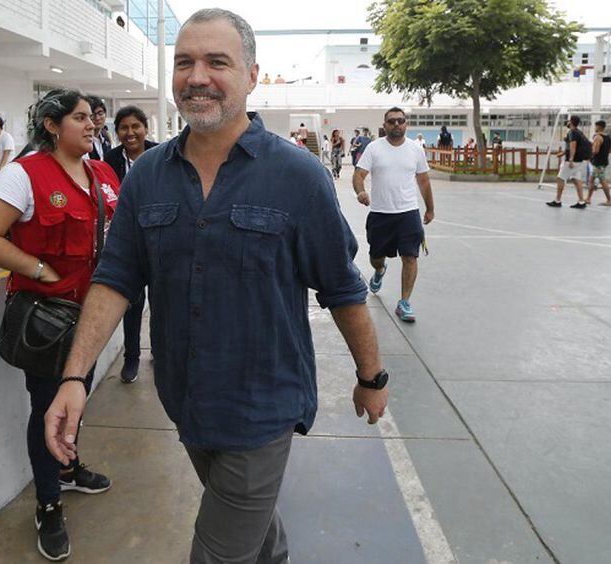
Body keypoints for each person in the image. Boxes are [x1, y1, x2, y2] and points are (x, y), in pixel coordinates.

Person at [45, 9, 387, 563]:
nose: (197, 76)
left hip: (261, 407)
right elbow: (115, 279)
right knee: (253, 529)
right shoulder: (148, 175)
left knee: (218, 551)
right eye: (184, 62)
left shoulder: (298, 176)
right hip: (184, 399)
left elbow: (342, 289)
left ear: (251, 75)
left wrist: (371, 376)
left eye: (216, 62)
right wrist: (74, 376)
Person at [0, 89, 120, 562]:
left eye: (93, 117)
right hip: (47, 321)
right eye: (79, 118)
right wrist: (38, 269)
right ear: (52, 126)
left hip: (90, 317)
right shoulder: (24, 174)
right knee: (47, 409)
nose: (92, 124)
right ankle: (48, 503)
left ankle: (68, 470)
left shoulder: (103, 173)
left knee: (78, 395)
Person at [353, 107, 435, 323]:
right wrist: (361, 191)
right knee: (375, 257)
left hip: (408, 213)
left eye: (400, 120)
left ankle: (404, 302)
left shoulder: (415, 149)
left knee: (410, 256)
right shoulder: (374, 148)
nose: (396, 124)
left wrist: (430, 208)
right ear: (385, 125)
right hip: (380, 214)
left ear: (406, 124)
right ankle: (380, 270)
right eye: (392, 121)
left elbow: (423, 180)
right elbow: (359, 174)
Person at [103, 105, 159, 384]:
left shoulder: (161, 155)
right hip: (129, 240)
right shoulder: (109, 160)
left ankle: (159, 350)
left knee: (161, 300)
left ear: (145, 128)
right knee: (132, 302)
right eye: (124, 128)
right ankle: (131, 357)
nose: (130, 132)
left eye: (135, 126)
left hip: (159, 237)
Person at [546, 115, 591, 209]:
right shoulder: (579, 132)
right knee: (576, 179)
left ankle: (557, 201)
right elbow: (574, 147)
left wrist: (570, 159)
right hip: (579, 160)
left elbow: (573, 146)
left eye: (569, 121)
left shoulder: (572, 132)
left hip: (572, 161)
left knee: (560, 178)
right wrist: (563, 153)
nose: (567, 122)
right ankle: (581, 202)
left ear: (571, 122)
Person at [585, 120, 611, 206]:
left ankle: (609, 200)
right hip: (603, 161)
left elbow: (595, 150)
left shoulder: (597, 137)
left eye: (595, 126)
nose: (595, 128)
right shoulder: (608, 137)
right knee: (591, 179)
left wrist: (589, 152)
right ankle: (588, 198)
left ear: (598, 127)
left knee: (602, 180)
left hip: (597, 162)